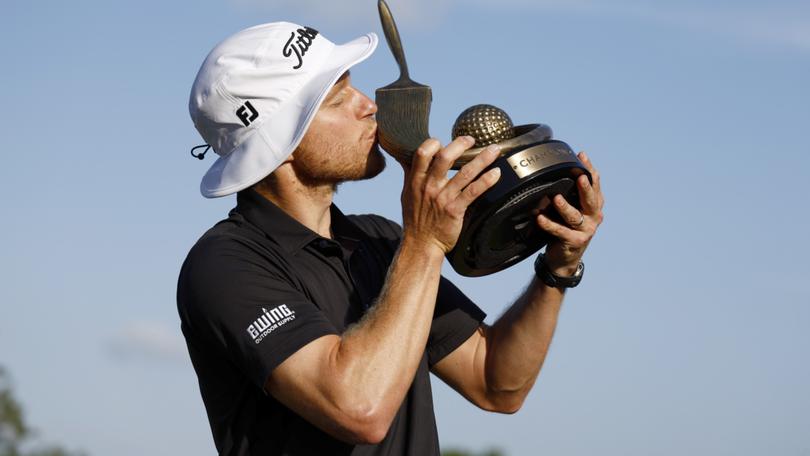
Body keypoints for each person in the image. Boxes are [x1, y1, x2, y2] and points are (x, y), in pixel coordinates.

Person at [177, 21, 604, 456]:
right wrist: (424, 244)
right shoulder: (225, 265)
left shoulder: (379, 241)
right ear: (281, 142)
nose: (368, 106)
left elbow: (496, 383)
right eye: (339, 99)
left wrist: (557, 268)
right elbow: (360, 409)